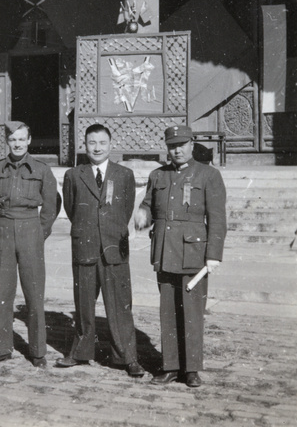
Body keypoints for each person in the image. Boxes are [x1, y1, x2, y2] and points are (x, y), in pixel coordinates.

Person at [135, 125, 227, 388]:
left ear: (192, 143)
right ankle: (171, 367)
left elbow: (218, 219)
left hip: (194, 255)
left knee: (192, 313)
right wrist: (142, 216)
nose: (177, 150)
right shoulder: (158, 175)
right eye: (172, 145)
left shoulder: (209, 175)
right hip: (164, 252)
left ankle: (192, 369)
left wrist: (214, 255)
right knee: (167, 312)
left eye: (182, 144)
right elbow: (148, 205)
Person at [55, 123, 145, 377]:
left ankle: (128, 357)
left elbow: (126, 209)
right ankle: (80, 352)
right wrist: (90, 229)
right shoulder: (74, 174)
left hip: (114, 247)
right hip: (85, 246)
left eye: (102, 143)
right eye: (92, 143)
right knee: (83, 304)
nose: (97, 148)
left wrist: (110, 229)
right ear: (85, 145)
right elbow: (72, 209)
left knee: (120, 306)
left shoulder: (124, 174)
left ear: (110, 145)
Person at [0, 121, 57, 368]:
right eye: (13, 139)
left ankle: (37, 351)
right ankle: (1, 348)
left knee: (34, 292)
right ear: (7, 141)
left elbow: (51, 204)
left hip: (30, 228)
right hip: (2, 229)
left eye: (21, 139)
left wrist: (39, 232)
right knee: (3, 292)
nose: (17, 143)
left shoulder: (42, 169)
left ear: (29, 140)